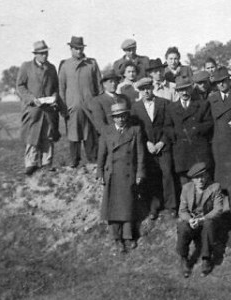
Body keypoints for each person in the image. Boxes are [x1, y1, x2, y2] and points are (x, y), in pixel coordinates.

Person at [96, 101, 145, 253]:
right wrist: (99, 172)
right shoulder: (107, 131)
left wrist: (139, 173)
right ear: (113, 118)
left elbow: (140, 154)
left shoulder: (135, 130)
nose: (121, 119)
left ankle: (128, 236)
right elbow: (101, 153)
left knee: (128, 205)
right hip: (112, 173)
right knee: (112, 207)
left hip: (128, 173)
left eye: (123, 116)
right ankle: (116, 239)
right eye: (117, 116)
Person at [17, 40, 67, 175]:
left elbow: (56, 87)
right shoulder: (26, 67)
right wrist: (32, 99)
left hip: (49, 109)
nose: (45, 56)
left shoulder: (51, 68)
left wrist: (55, 97)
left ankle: (47, 162)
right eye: (42, 53)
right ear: (36, 54)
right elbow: (20, 86)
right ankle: (31, 163)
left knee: (48, 135)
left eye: (46, 53)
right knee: (32, 136)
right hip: (33, 109)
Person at [131, 78, 177, 220]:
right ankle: (154, 207)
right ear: (140, 91)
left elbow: (169, 125)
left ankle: (172, 206)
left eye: (148, 88)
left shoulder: (164, 103)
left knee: (167, 173)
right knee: (151, 177)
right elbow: (136, 129)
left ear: (153, 88)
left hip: (163, 146)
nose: (146, 91)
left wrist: (162, 142)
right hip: (147, 148)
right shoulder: (135, 107)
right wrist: (147, 144)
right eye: (143, 89)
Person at [58, 36, 102, 168]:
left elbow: (99, 87)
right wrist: (63, 108)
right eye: (76, 49)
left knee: (90, 137)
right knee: (73, 136)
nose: (78, 51)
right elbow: (61, 89)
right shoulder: (65, 65)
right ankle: (74, 163)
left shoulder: (91, 64)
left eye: (80, 48)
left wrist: (97, 107)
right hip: (72, 109)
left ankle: (93, 162)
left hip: (89, 108)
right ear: (70, 49)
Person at [177, 162, 224, 277]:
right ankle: (184, 258)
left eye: (203, 176)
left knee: (208, 225)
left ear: (207, 175)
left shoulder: (215, 187)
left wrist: (203, 219)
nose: (200, 180)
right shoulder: (186, 188)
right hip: (192, 221)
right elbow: (182, 211)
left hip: (207, 220)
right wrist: (190, 220)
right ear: (192, 179)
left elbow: (218, 209)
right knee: (182, 227)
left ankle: (206, 258)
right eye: (197, 178)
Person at [166, 77, 214, 187]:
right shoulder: (171, 108)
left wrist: (196, 129)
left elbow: (209, 123)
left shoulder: (202, 104)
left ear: (191, 89)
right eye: (181, 90)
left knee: (203, 184)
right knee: (186, 186)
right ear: (177, 91)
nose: (184, 92)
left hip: (199, 149)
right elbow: (167, 127)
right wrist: (177, 136)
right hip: (182, 151)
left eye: (186, 89)